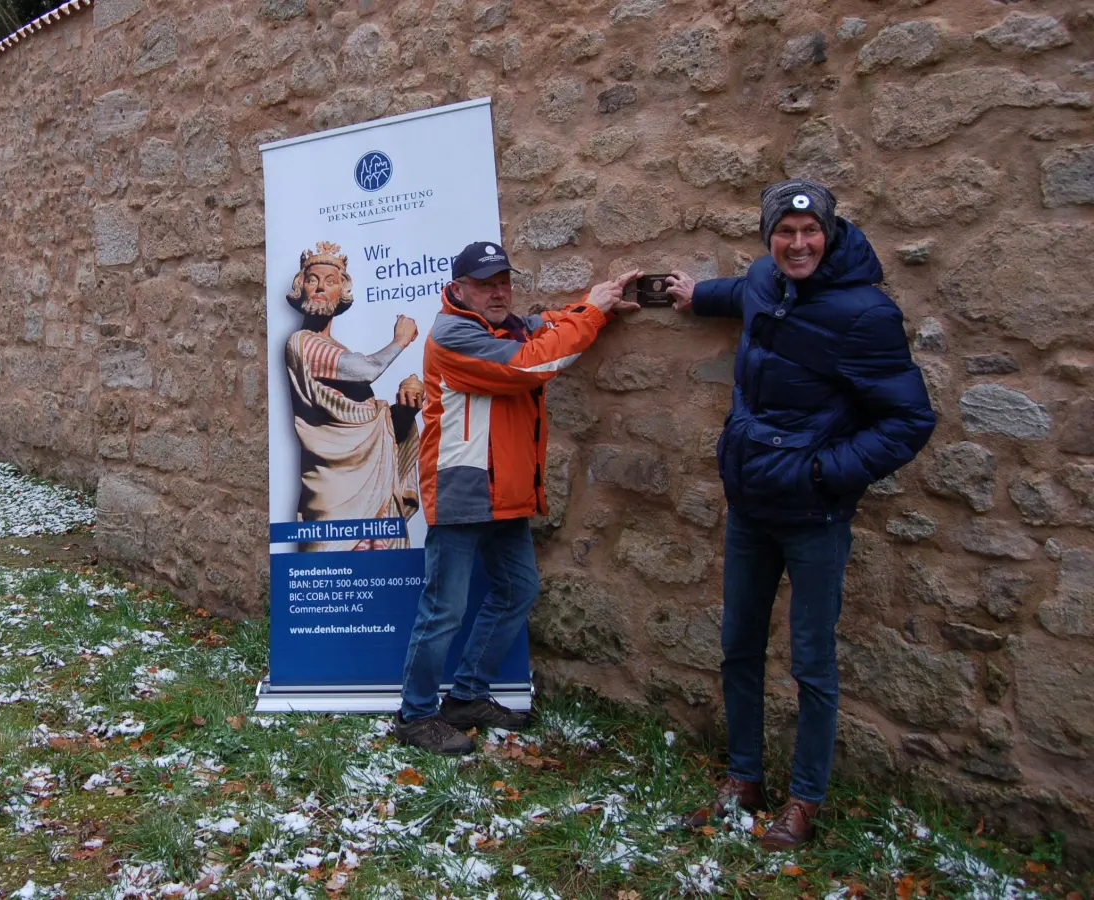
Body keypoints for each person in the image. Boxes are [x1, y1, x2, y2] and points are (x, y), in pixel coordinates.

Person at [664, 179, 935, 850]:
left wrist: (823, 472)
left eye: (809, 232)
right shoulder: (763, 279)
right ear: (769, 238)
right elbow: (744, 292)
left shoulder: (864, 313)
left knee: (811, 662)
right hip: (751, 504)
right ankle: (745, 777)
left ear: (831, 233)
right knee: (738, 648)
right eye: (784, 232)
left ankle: (804, 801)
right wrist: (696, 294)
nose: (797, 243)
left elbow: (908, 419)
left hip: (813, 515)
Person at [395, 241, 640, 754]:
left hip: (503, 490)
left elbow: (543, 323)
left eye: (503, 281)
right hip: (464, 490)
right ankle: (416, 715)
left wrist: (594, 301)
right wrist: (592, 314)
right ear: (459, 289)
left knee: (518, 590)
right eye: (485, 284)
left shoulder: (500, 325)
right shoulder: (455, 333)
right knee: (444, 610)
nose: (498, 292)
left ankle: (467, 695)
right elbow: (533, 363)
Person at [284, 241, 426, 552]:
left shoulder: (338, 349)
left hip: (371, 483)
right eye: (312, 279)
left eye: (330, 281)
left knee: (376, 574)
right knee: (333, 582)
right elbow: (366, 369)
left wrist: (403, 412)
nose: (320, 287)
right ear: (301, 286)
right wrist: (400, 341)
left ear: (342, 292)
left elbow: (366, 422)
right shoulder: (301, 344)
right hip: (333, 492)